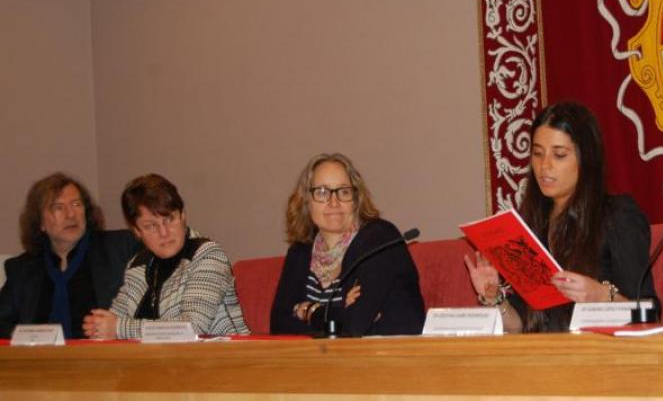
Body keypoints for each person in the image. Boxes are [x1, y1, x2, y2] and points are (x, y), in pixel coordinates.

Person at [465, 102, 655, 332]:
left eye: (559, 155)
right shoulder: (530, 223)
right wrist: (494, 296)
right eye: (537, 153)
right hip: (542, 357)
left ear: (586, 159)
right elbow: (522, 325)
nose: (545, 166)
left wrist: (601, 294)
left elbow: (649, 313)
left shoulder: (618, 215)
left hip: (599, 358)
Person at [270, 153, 424, 336]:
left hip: (388, 358)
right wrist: (338, 310)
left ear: (356, 200)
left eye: (343, 191)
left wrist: (309, 311)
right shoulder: (300, 251)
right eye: (322, 192)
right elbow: (278, 325)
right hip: (318, 361)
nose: (334, 202)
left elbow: (354, 325)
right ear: (306, 201)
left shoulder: (379, 240)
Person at [83, 174, 248, 339]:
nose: (164, 233)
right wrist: (99, 327)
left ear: (183, 216)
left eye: (169, 219)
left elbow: (192, 328)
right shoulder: (138, 265)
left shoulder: (207, 255)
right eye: (151, 226)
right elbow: (113, 320)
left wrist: (119, 328)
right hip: (161, 362)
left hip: (221, 360)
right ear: (137, 232)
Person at [0, 173, 138, 339]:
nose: (71, 214)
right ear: (40, 222)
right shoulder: (22, 269)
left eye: (76, 204)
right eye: (58, 207)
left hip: (106, 359)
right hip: (40, 361)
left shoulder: (120, 248)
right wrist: (33, 336)